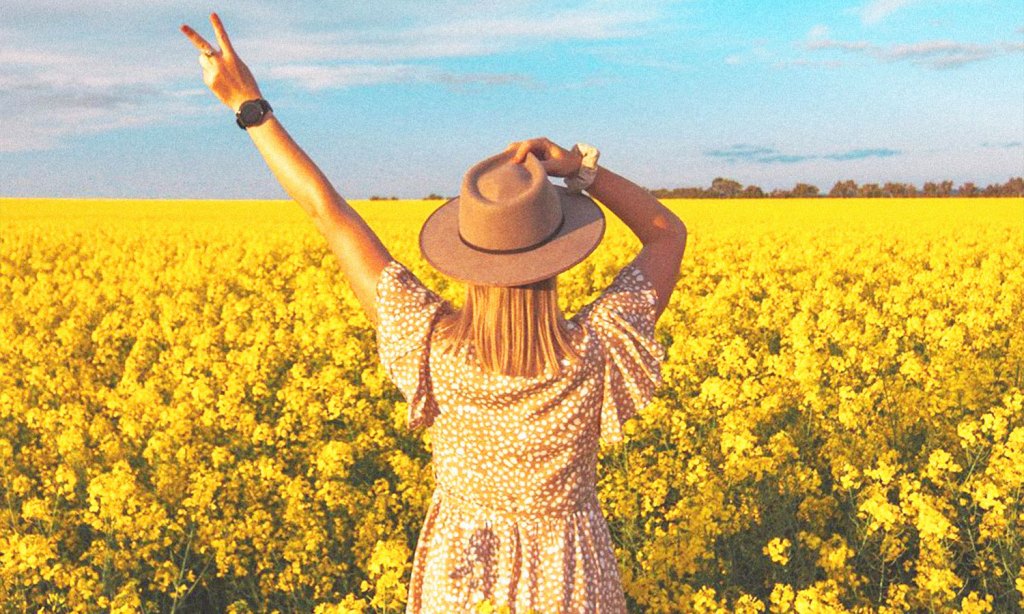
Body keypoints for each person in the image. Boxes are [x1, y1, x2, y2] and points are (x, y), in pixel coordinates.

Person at [182, 13, 687, 613]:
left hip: (461, 582)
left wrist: (250, 107)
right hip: (572, 585)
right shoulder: (598, 349)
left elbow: (328, 212)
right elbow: (666, 234)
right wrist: (579, 167)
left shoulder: (427, 343)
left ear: (466, 257)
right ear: (558, 256)